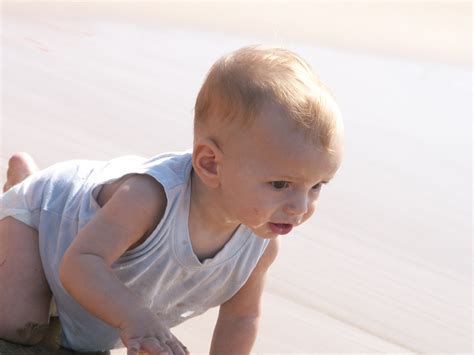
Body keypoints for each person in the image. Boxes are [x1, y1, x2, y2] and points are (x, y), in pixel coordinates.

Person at [0, 45, 344, 354]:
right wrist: (134, 316)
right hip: (43, 219)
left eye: (317, 186)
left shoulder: (260, 242)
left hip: (79, 242)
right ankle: (24, 187)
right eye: (281, 183)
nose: (301, 207)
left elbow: (241, 317)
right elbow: (79, 263)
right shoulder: (147, 199)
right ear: (210, 164)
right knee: (18, 325)